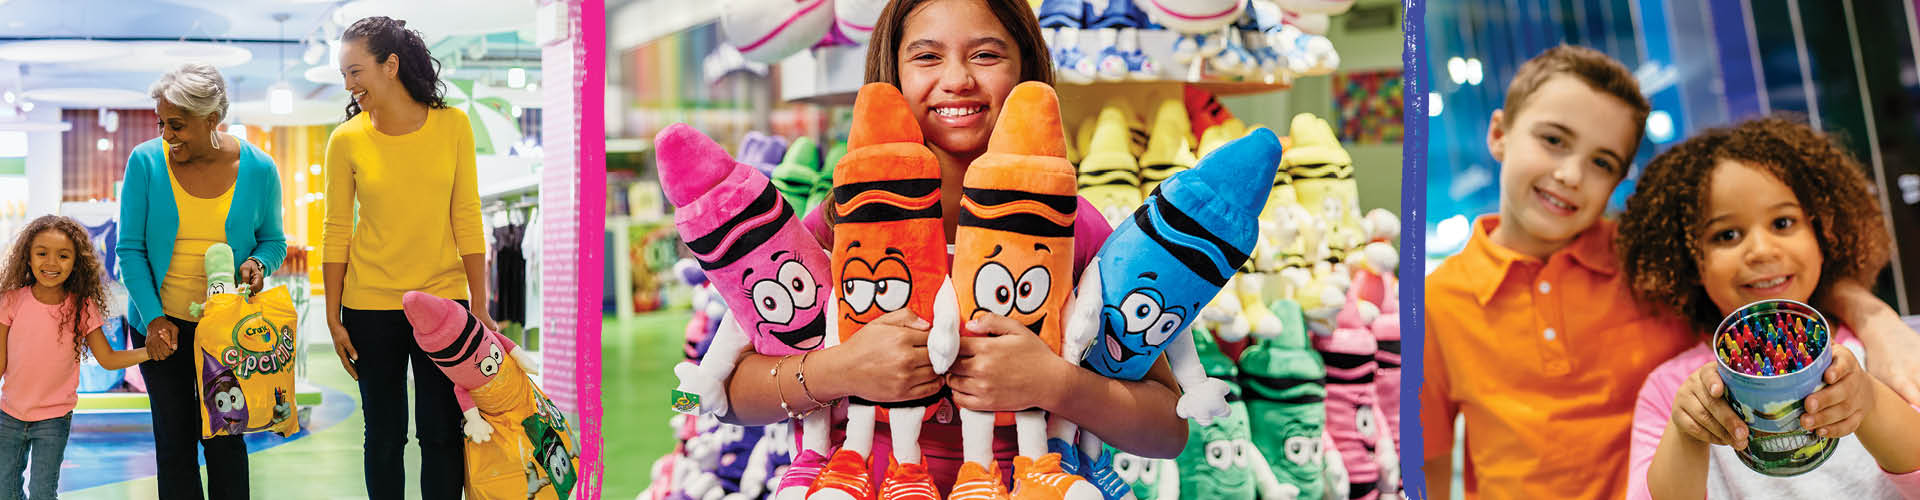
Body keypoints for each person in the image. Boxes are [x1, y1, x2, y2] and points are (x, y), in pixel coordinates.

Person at [715, 0, 1188, 497]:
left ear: (1026, 68)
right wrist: (838, 370)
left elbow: (1170, 431)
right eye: (926, 57)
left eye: (986, 55)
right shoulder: (842, 221)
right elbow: (699, 398)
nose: (958, 79)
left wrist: (1055, 384)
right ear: (892, 73)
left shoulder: (1072, 225)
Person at [1419, 45, 1918, 500]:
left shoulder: (1643, 265)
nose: (1570, 174)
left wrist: (1877, 322)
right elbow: (1429, 463)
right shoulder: (1436, 301)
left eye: (1601, 161)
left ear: (1618, 179)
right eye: (1553, 140)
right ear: (1499, 133)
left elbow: (1780, 294)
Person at [1619, 117, 1920, 499]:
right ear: (1688, 261)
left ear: (1823, 232)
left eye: (1783, 222)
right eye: (1727, 235)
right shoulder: (1670, 390)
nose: (1761, 251)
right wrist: (1686, 433)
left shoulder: (1884, 351)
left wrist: (1871, 401)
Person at [322, 16, 495, 500]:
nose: (349, 86)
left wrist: (478, 303)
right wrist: (333, 316)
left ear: (390, 65)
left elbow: (467, 216)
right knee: (383, 437)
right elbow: (336, 231)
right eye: (344, 75)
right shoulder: (347, 140)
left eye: (356, 72)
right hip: (370, 307)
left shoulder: (453, 126)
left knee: (441, 433)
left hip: (445, 305)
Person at [118, 62, 287, 500]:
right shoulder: (146, 162)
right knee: (173, 443)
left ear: (212, 119)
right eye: (162, 123)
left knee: (226, 438)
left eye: (177, 124)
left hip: (225, 328)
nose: (167, 134)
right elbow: (129, 250)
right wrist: (154, 319)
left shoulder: (259, 169)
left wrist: (259, 265)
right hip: (161, 326)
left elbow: (272, 241)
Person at [0, 216, 151, 499]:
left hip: (54, 419)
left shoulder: (82, 306)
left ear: (76, 262)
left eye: (63, 255)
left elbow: (107, 359)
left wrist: (148, 352)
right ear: (28, 257)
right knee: (5, 490)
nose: (51, 263)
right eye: (42, 253)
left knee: (43, 491)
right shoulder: (11, 300)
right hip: (9, 415)